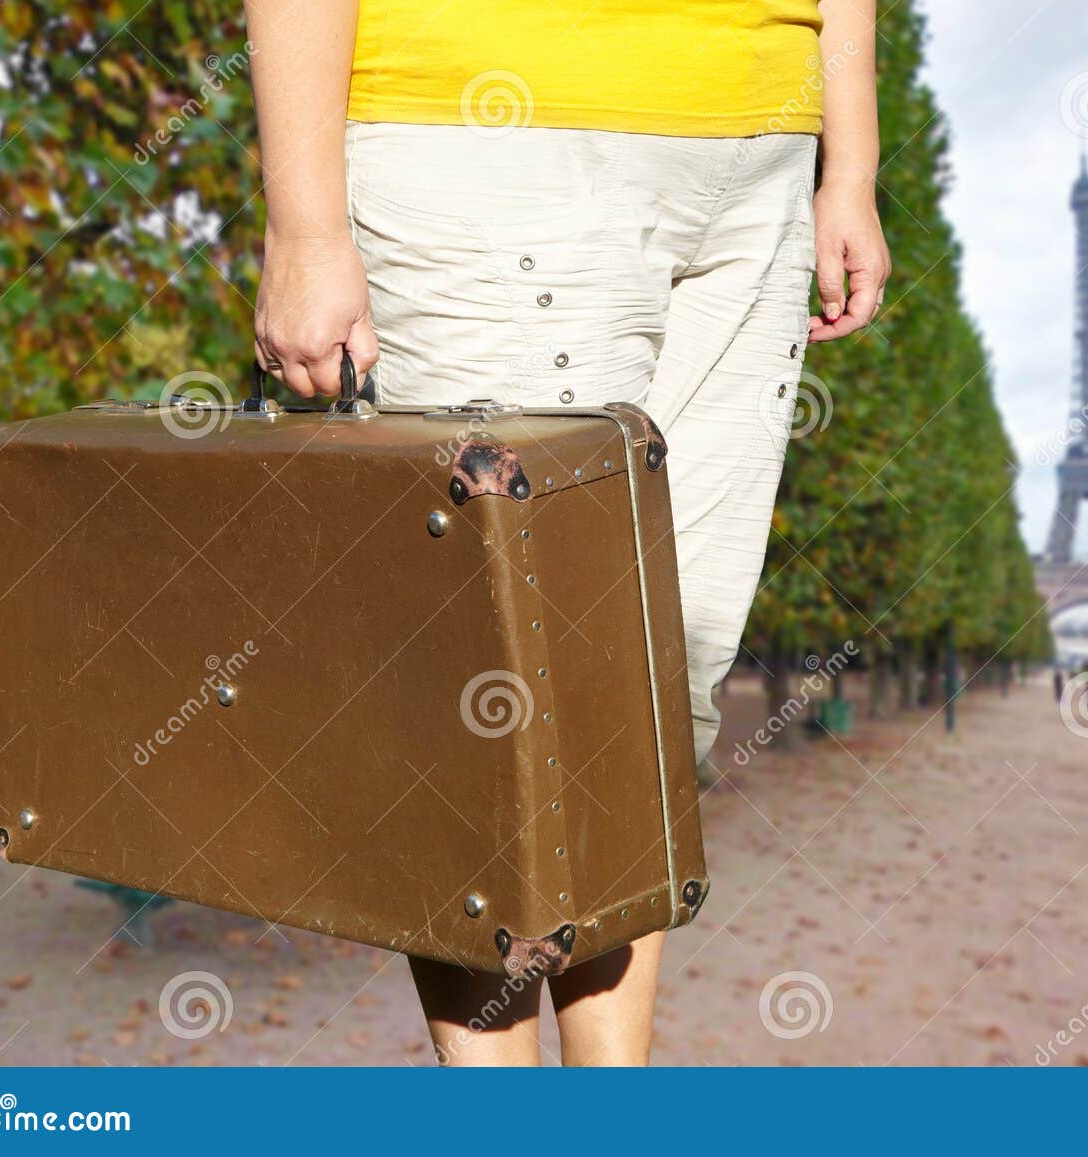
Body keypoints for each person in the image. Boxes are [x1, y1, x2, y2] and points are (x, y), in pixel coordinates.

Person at [245, 0, 890, 1066]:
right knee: (489, 717)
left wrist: (848, 163)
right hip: (490, 126)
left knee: (646, 706)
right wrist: (305, 225)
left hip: (762, 156)